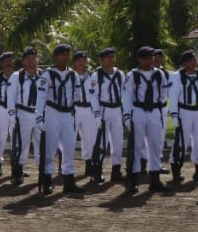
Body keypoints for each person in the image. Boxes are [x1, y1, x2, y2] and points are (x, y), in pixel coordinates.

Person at [34, 43, 81, 195]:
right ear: (55, 57)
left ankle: (69, 181)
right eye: (62, 55)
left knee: (69, 147)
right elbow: (40, 98)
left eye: (68, 55)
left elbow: (77, 95)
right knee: (50, 148)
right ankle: (47, 180)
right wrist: (39, 117)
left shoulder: (73, 75)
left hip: (67, 114)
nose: (65, 57)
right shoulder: (47, 75)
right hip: (52, 111)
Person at [123, 47, 170, 193]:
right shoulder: (132, 75)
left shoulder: (159, 74)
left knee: (155, 146)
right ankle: (133, 180)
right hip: (138, 111)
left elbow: (164, 92)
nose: (149, 61)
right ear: (139, 60)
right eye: (145, 58)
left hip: (154, 111)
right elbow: (127, 97)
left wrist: (158, 106)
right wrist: (127, 116)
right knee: (136, 147)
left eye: (151, 58)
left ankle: (155, 179)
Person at [168, 50, 198, 184]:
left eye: (195, 59)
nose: (194, 62)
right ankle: (176, 171)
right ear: (185, 63)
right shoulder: (177, 76)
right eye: (191, 60)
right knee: (181, 141)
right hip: (184, 111)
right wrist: (174, 114)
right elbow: (173, 96)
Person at [88, 48, 126, 183]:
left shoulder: (120, 74)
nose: (111, 59)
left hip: (116, 109)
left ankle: (116, 170)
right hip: (103, 109)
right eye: (108, 57)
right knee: (101, 142)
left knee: (118, 141)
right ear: (102, 60)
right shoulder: (96, 75)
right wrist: (97, 114)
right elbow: (93, 97)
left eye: (112, 56)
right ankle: (97, 170)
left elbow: (124, 94)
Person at [9, 47, 41, 185]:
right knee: (22, 144)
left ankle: (43, 173)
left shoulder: (44, 76)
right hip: (23, 113)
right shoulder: (17, 76)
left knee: (42, 144)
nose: (32, 61)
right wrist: (12, 115)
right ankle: (17, 171)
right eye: (28, 59)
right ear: (23, 62)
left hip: (39, 114)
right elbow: (10, 97)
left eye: (34, 58)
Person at [70, 50, 100, 186]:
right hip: (74, 109)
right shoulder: (70, 76)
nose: (83, 62)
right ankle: (65, 166)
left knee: (90, 138)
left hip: (88, 109)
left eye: (85, 60)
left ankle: (89, 164)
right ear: (75, 62)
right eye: (80, 60)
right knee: (69, 137)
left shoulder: (93, 76)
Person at [0, 51, 15, 178]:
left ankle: (17, 165)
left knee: (16, 137)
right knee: (0, 137)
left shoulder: (18, 77)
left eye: (10, 60)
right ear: (1, 63)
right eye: (5, 61)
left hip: (15, 109)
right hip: (1, 107)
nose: (8, 63)